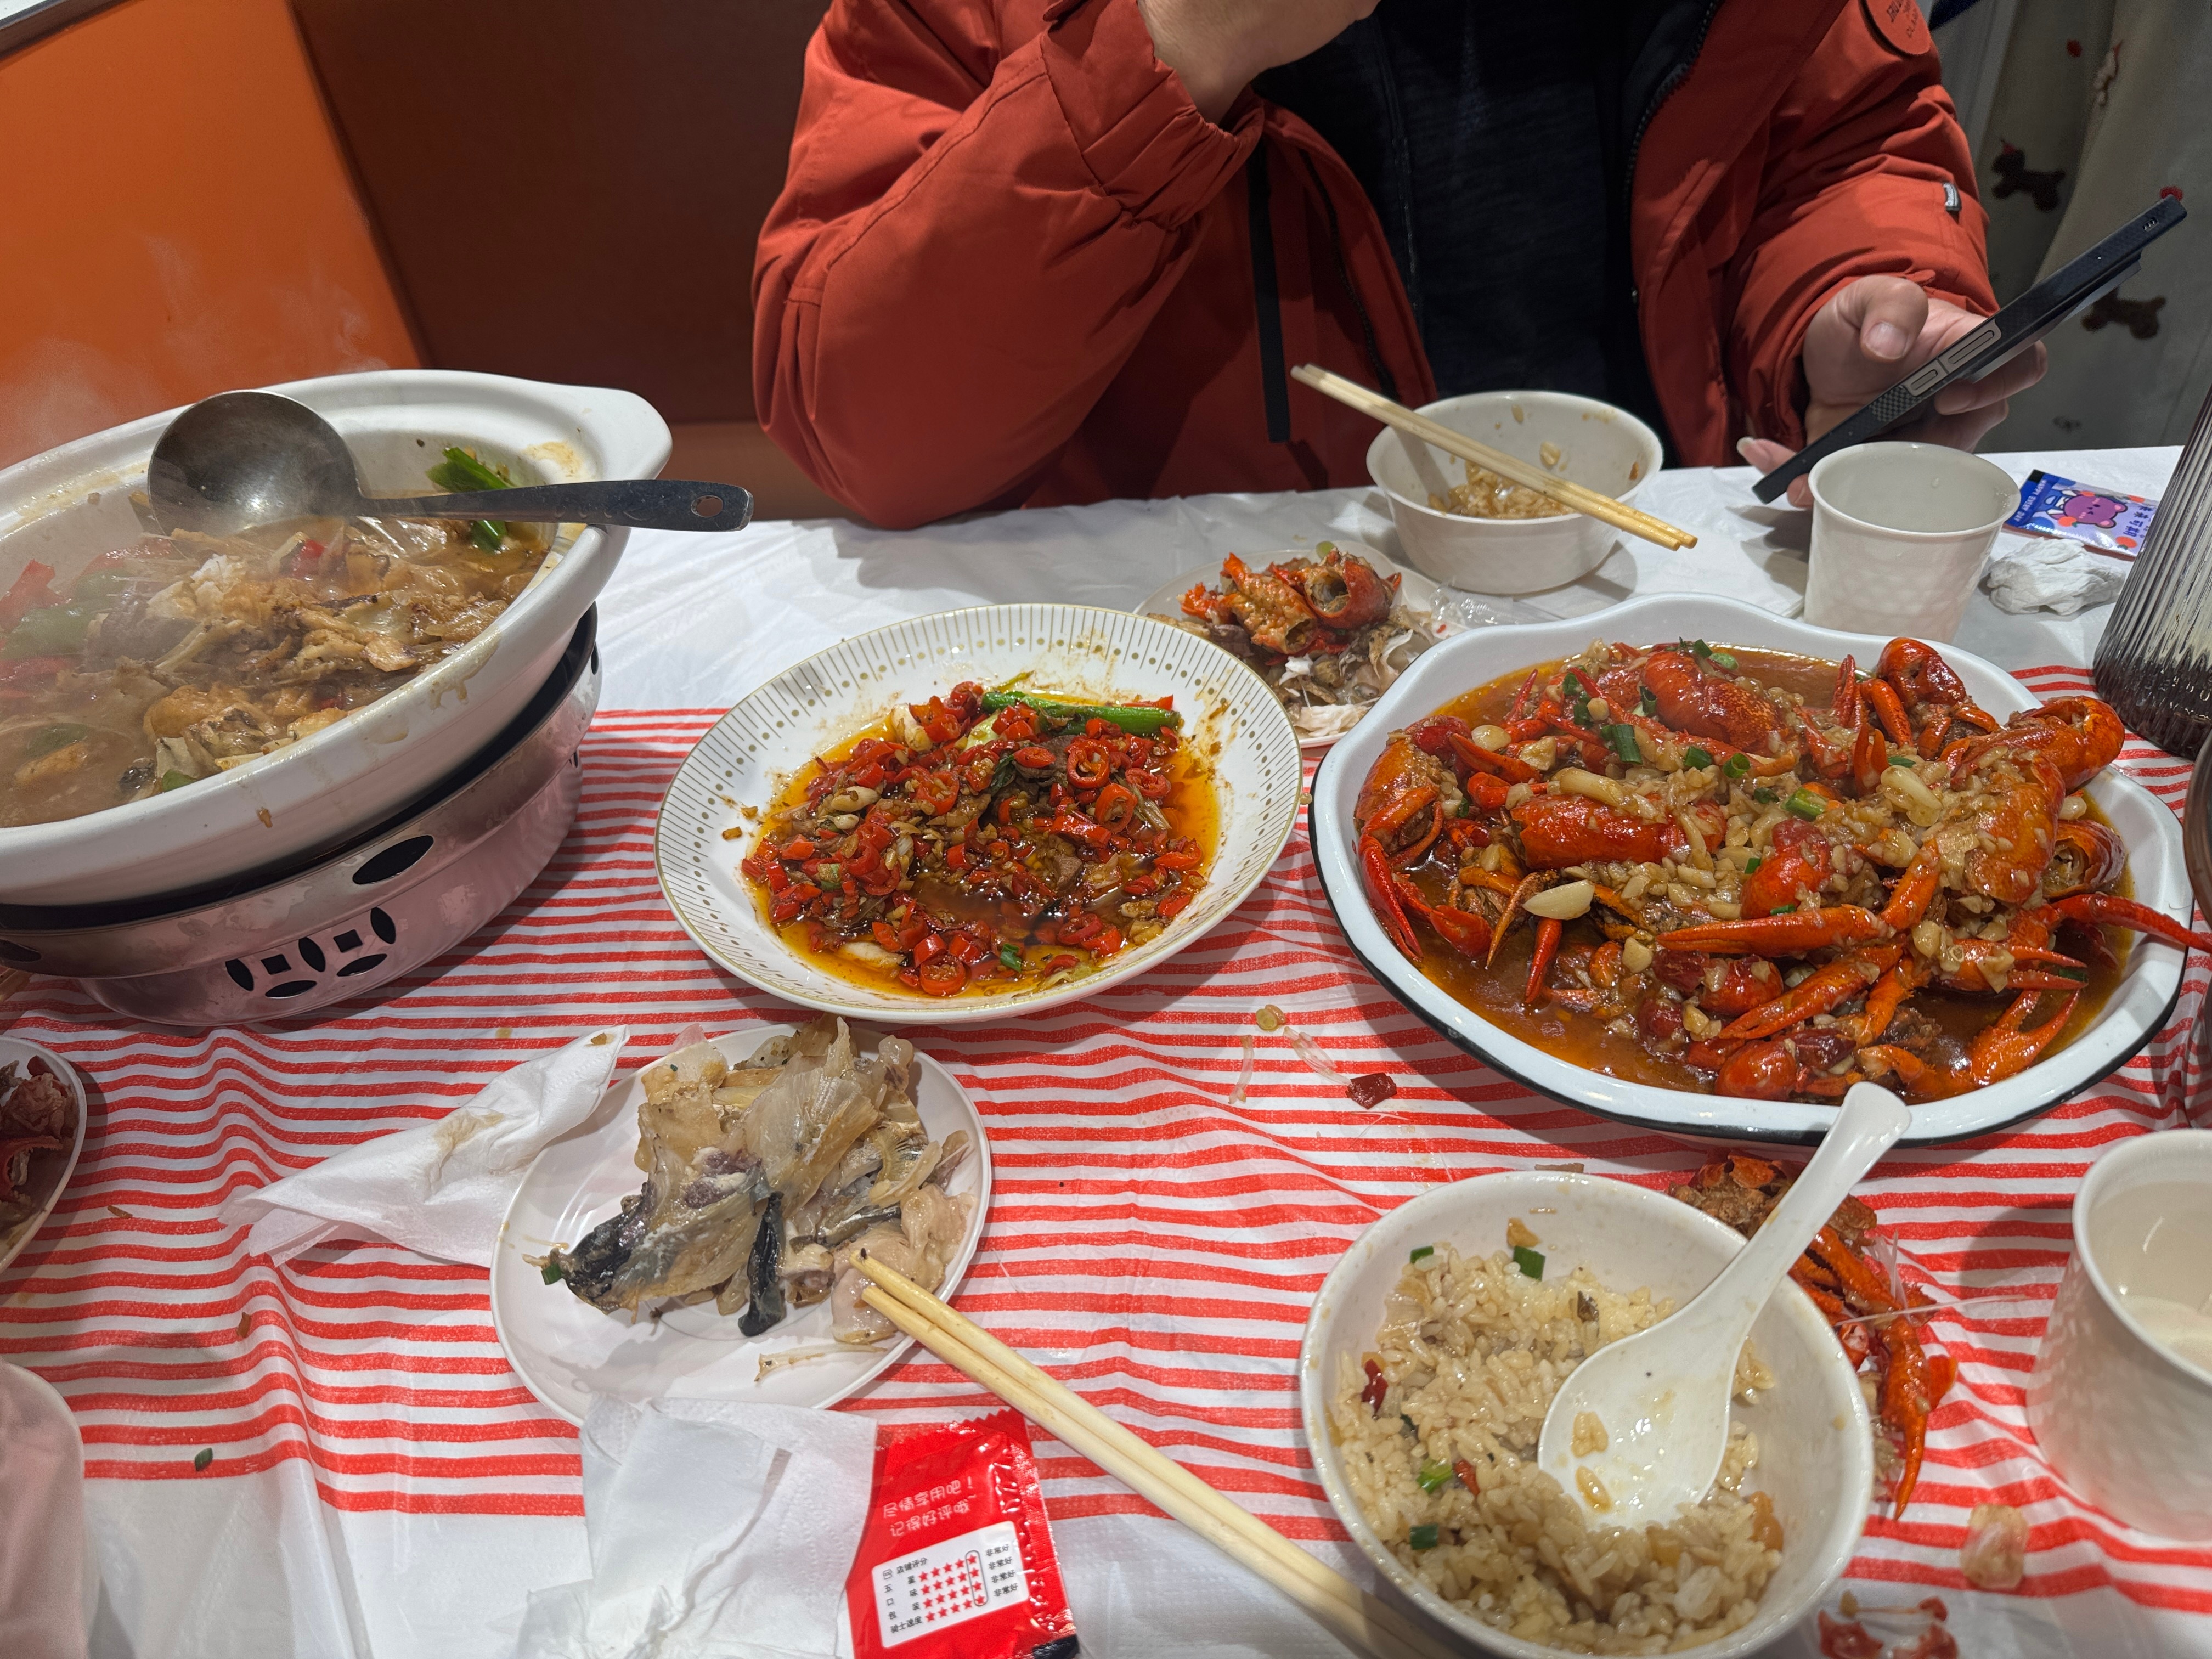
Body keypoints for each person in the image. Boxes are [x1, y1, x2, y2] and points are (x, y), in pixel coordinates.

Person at [754, 0, 2047, 527]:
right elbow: (871, 432)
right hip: (1213, 666)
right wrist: (1176, 48)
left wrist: (1843, 317)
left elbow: (1850, 145)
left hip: (1654, 594)